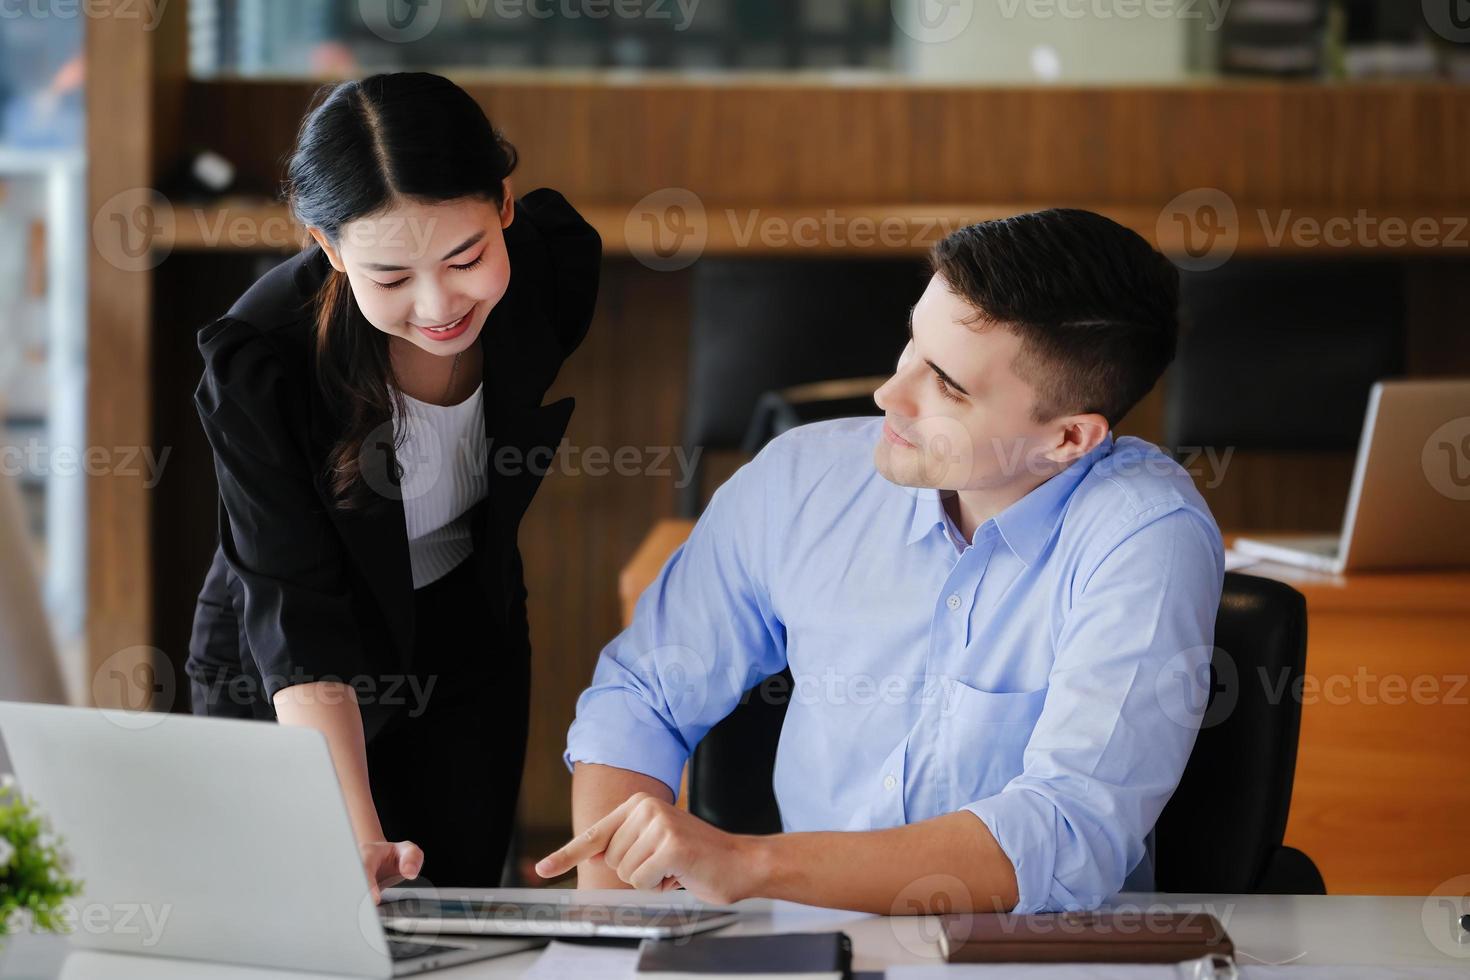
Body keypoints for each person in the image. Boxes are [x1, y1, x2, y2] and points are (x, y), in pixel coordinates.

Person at [538, 209, 1223, 915]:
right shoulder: (802, 479)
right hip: (806, 942)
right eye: (911, 344)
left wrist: (750, 862)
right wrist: (614, 924)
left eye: (948, 386)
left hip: (1025, 956)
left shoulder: (1144, 535)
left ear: (1069, 438)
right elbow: (642, 696)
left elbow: (1068, 830)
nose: (888, 395)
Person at [186, 72, 600, 899]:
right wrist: (354, 830)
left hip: (467, 632)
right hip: (288, 662)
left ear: (505, 204)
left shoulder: (553, 263)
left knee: (459, 910)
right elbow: (298, 621)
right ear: (329, 247)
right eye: (391, 277)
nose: (440, 304)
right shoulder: (261, 364)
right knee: (313, 914)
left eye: (467, 255)